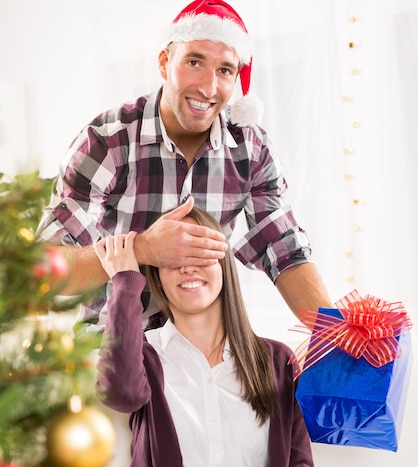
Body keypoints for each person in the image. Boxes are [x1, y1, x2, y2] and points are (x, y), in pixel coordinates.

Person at [94, 207, 340, 467]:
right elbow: (119, 391)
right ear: (157, 276)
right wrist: (126, 277)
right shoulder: (147, 358)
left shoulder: (275, 361)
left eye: (202, 256)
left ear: (224, 265)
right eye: (174, 260)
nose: (188, 270)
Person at [36, 0, 333, 332]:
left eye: (224, 70)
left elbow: (286, 253)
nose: (208, 88)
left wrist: (337, 334)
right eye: (194, 62)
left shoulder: (250, 149)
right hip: (110, 352)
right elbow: (44, 271)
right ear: (165, 63)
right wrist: (142, 248)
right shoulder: (107, 142)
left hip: (199, 355)